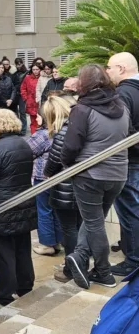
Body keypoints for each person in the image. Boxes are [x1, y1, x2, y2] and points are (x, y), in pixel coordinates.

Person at [63, 64, 130, 289]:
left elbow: (71, 146)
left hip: (90, 174)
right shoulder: (121, 105)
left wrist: (67, 166)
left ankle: (103, 272)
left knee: (93, 223)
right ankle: (79, 256)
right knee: (95, 221)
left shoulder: (82, 109)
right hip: (118, 174)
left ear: (83, 83)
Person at [0, 109, 37, 311]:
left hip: (0, 208)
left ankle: (4, 296)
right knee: (22, 250)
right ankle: (25, 288)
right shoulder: (24, 144)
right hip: (22, 204)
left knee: (2, 255)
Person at [42, 94, 82, 283]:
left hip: (66, 186)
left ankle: (72, 269)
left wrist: (47, 173)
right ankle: (81, 264)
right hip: (81, 184)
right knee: (80, 226)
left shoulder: (65, 129)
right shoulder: (81, 124)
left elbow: (55, 158)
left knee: (70, 229)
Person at [106, 52, 139, 276]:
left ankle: (134, 259)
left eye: (109, 67)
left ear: (121, 69)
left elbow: (121, 131)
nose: (106, 71)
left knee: (130, 210)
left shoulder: (122, 94)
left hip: (130, 161)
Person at [27, 114, 62, 257]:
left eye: (40, 116)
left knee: (44, 211)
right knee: (56, 210)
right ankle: (57, 241)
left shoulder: (43, 134)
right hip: (59, 177)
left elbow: (28, 151)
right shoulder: (63, 131)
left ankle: (47, 244)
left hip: (43, 177)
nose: (37, 119)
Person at [21, 64, 42, 133]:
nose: (35, 71)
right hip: (31, 102)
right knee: (33, 121)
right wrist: (26, 98)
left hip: (41, 102)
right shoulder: (27, 77)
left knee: (41, 121)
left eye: (37, 69)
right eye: (34, 69)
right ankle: (34, 136)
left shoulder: (42, 77)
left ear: (40, 70)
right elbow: (23, 88)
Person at [13, 58, 29, 135]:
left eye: (20, 63)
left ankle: (23, 130)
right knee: (15, 113)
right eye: (17, 63)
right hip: (15, 94)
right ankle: (17, 129)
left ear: (22, 63)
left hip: (22, 95)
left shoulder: (26, 72)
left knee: (22, 112)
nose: (19, 65)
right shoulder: (14, 73)